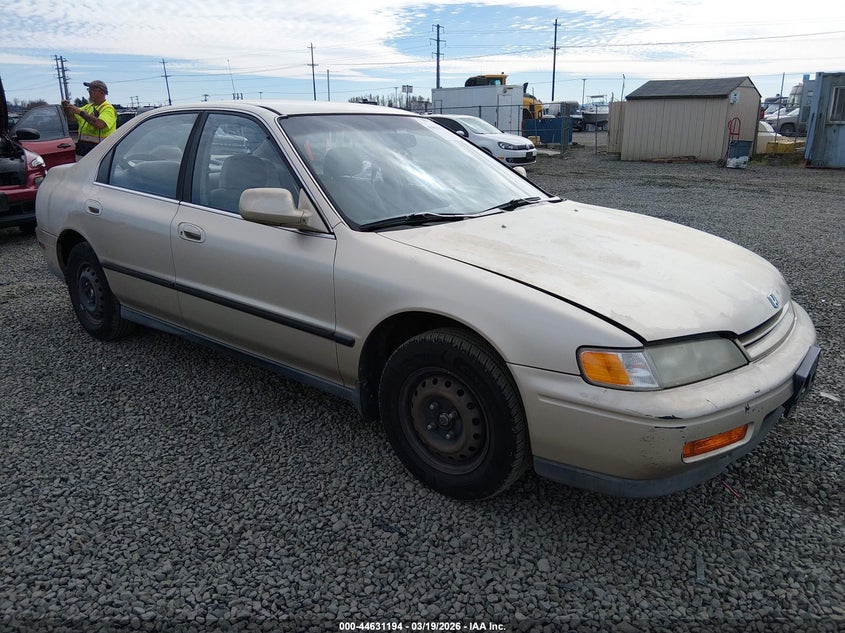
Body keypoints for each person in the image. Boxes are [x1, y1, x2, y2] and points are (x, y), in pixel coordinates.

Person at [62, 80, 117, 157]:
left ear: (102, 92)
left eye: (92, 90)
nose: (89, 92)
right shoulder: (88, 107)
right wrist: (66, 108)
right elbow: (72, 118)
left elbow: (100, 124)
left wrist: (81, 112)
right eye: (89, 90)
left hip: (102, 151)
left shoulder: (108, 108)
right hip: (85, 150)